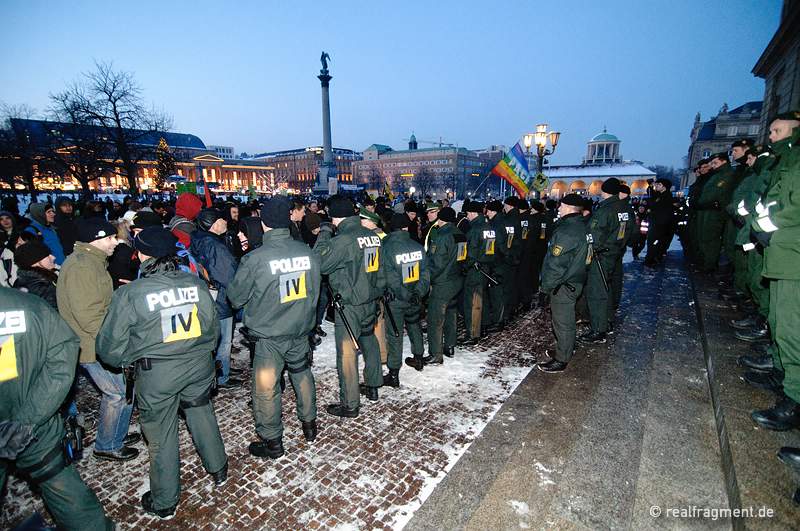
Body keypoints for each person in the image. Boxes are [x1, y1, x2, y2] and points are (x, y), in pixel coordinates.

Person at [96, 227, 228, 519]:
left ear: (142, 255)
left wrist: (132, 356)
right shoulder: (195, 284)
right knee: (201, 413)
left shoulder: (131, 293)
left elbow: (109, 349)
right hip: (197, 366)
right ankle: (219, 469)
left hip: (157, 374)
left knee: (161, 433)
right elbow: (212, 328)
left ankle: (165, 500)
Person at [0, 288, 114, 530]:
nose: (52, 256)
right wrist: (27, 419)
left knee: (69, 497)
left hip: (32, 426)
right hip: (34, 423)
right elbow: (63, 356)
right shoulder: (29, 305)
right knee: (71, 500)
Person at [228, 197, 321, 459]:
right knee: (302, 374)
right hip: (300, 330)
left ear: (265, 223)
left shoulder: (256, 258)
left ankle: (272, 441)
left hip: (269, 335)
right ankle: (309, 425)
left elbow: (235, 297)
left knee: (266, 388)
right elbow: (315, 291)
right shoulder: (307, 252)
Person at [57, 217, 139, 461]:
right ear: (98, 239)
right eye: (112, 237)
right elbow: (89, 316)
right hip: (92, 345)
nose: (116, 242)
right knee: (116, 393)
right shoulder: (83, 266)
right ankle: (106, 444)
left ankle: (117, 434)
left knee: (124, 391)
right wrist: (112, 343)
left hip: (99, 341)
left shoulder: (93, 261)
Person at [748, 111, 800, 431]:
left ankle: (794, 400)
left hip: (793, 253)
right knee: (782, 324)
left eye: (777, 130)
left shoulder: (794, 160)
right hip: (784, 254)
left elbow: (788, 207)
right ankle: (785, 380)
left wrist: (760, 224)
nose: (771, 136)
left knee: (792, 329)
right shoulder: (785, 159)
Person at [314, 195, 384, 416]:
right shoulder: (372, 236)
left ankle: (350, 404)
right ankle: (373, 386)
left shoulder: (343, 240)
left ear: (335, 217)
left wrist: (324, 233)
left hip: (350, 306)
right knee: (368, 339)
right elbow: (380, 271)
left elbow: (319, 263)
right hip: (370, 299)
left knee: (347, 354)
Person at [537, 194, 591, 373]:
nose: (559, 208)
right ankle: (564, 349)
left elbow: (556, 264)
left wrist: (545, 288)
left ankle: (562, 359)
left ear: (569, 207)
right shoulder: (582, 225)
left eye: (562, 205)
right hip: (575, 280)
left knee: (563, 322)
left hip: (564, 284)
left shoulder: (568, 231)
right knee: (565, 321)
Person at [190, 208, 242, 389]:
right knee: (223, 340)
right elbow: (228, 275)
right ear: (213, 224)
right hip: (220, 299)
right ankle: (222, 376)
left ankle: (224, 366)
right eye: (222, 219)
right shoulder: (215, 246)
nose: (226, 222)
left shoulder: (199, 238)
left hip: (207, 297)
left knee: (217, 339)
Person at [381, 213, 430, 376]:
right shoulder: (417, 246)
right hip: (415, 295)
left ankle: (394, 372)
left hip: (396, 299)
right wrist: (418, 293)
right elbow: (425, 273)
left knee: (395, 333)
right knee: (414, 324)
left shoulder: (386, 247)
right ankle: (419, 357)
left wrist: (406, 294)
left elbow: (391, 278)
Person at [580, 178, 625, 344]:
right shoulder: (623, 207)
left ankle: (598, 330)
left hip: (601, 255)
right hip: (614, 252)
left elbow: (594, 237)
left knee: (597, 292)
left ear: (604, 190)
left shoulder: (605, 210)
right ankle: (607, 321)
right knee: (608, 288)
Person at [422, 207, 462, 365]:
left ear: (441, 218)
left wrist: (427, 280)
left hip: (442, 283)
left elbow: (436, 264)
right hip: (457, 279)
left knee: (435, 319)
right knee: (451, 314)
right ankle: (450, 346)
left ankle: (435, 354)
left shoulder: (441, 236)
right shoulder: (460, 234)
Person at [461, 201, 493, 345]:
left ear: (473, 213)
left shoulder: (474, 229)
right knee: (482, 299)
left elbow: (471, 254)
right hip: (486, 267)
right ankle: (484, 326)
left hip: (475, 270)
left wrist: (464, 267)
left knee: (471, 304)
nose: (467, 217)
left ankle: (473, 334)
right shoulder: (489, 226)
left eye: (467, 214)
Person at [483, 200, 508, 332]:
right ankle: (498, 319)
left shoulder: (495, 225)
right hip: (500, 262)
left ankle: (499, 321)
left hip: (496, 263)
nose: (486, 213)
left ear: (492, 211)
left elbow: (495, 246)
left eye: (488, 211)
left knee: (497, 293)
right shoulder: (501, 222)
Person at [13, 240, 58, 308]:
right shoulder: (41, 287)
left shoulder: (21, 281)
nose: (53, 257)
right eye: (47, 256)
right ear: (35, 262)